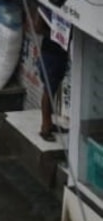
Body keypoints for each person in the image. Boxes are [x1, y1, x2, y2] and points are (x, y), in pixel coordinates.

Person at [36, 12, 69, 141]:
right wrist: (56, 35)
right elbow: (38, 27)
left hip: (59, 55)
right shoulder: (47, 11)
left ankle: (49, 123)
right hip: (50, 55)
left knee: (53, 90)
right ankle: (45, 128)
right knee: (48, 91)